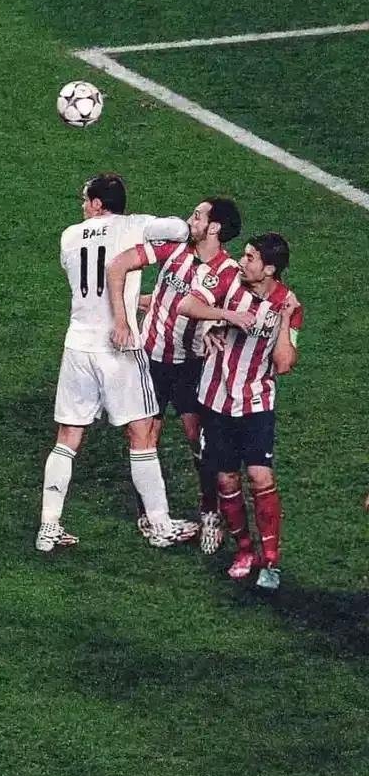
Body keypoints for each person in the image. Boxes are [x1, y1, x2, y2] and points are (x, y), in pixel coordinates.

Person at [35, 173, 199, 553]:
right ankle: (160, 524)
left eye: (85, 199)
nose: (82, 205)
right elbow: (180, 230)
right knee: (142, 433)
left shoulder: (69, 236)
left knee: (67, 437)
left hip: (78, 345)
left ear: (97, 204)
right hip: (119, 346)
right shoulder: (134, 226)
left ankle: (49, 527)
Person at [106, 197, 242, 552]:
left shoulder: (228, 272)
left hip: (189, 365)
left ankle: (210, 513)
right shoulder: (176, 248)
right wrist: (130, 304)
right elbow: (127, 263)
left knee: (198, 440)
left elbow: (208, 308)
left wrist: (215, 326)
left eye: (197, 217)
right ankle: (149, 516)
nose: (189, 220)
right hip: (150, 360)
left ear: (214, 228)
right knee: (144, 437)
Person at [177, 233, 302, 590]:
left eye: (251, 258)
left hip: (256, 402)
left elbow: (284, 363)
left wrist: (284, 320)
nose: (243, 262)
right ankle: (245, 551)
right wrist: (224, 316)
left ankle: (271, 561)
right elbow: (187, 305)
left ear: (270, 269)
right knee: (226, 480)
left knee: (261, 477)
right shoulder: (229, 279)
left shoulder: (288, 304)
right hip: (216, 399)